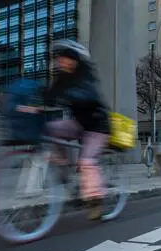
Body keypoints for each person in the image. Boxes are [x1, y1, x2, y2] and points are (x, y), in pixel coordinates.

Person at [43, 39, 111, 220]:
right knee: (49, 129)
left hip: (98, 127)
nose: (61, 62)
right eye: (59, 59)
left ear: (75, 60)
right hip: (79, 124)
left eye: (65, 59)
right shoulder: (62, 79)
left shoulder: (86, 76)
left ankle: (96, 202)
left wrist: (67, 95)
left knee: (87, 162)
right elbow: (48, 97)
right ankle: (63, 164)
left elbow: (88, 96)